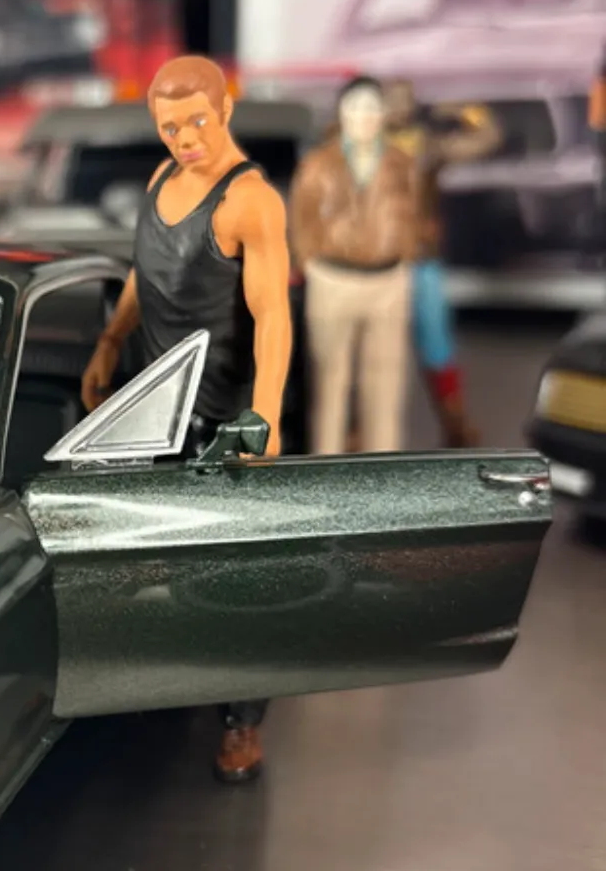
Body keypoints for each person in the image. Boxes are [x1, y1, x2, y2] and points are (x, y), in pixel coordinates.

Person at [80, 55, 292, 784]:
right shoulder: (159, 181)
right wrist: (110, 341)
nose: (185, 139)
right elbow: (144, 272)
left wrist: (265, 414)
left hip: (221, 413)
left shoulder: (250, 201)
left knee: (239, 575)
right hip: (153, 403)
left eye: (196, 121)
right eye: (170, 128)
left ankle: (241, 718)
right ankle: (161, 678)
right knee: (150, 557)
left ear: (224, 110)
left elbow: (272, 316)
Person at [290, 75, 419, 454]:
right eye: (356, 107)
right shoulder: (318, 164)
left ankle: (383, 469)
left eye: (372, 107)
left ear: (383, 113)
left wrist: (405, 258)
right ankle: (326, 466)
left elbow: (414, 213)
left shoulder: (401, 164)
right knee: (329, 383)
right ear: (342, 113)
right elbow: (301, 218)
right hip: (333, 280)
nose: (364, 116)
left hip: (388, 281)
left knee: (385, 385)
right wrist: (311, 264)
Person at [384, 79, 503, 447]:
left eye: (403, 99)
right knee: (374, 352)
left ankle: (454, 422)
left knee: (437, 345)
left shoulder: (427, 144)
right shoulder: (363, 144)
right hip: (377, 260)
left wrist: (463, 110)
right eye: (389, 99)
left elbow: (488, 138)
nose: (397, 106)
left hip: (421, 258)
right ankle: (360, 429)